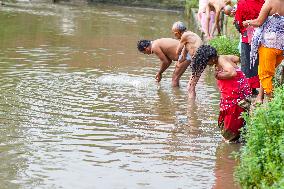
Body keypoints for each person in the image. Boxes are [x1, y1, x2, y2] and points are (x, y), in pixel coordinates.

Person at [191, 45, 252, 142]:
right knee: (233, 118)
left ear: (211, 58)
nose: (207, 64)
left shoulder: (221, 60)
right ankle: (236, 139)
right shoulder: (223, 58)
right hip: (238, 92)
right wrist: (229, 63)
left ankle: (230, 145)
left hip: (236, 95)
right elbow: (236, 58)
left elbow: (233, 73)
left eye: (206, 62)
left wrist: (218, 75)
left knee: (231, 125)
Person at [243, 0, 284, 102]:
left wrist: (247, 22)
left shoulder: (270, 3)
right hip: (282, 46)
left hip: (269, 44)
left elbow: (259, 22)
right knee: (267, 70)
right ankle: (260, 98)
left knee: (265, 74)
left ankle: (273, 103)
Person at [234, 0, 265, 101]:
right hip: (262, 36)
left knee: (247, 64)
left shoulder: (242, 2)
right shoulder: (264, 2)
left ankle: (248, 89)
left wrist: (242, 30)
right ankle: (257, 88)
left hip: (247, 36)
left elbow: (239, 22)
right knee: (260, 63)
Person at [171, 21, 203, 98]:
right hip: (200, 59)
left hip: (199, 59)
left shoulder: (184, 36)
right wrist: (180, 61)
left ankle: (191, 108)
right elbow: (183, 55)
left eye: (174, 33)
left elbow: (178, 51)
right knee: (191, 86)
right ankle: (190, 105)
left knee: (190, 88)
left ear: (177, 33)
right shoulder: (189, 36)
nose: (174, 35)